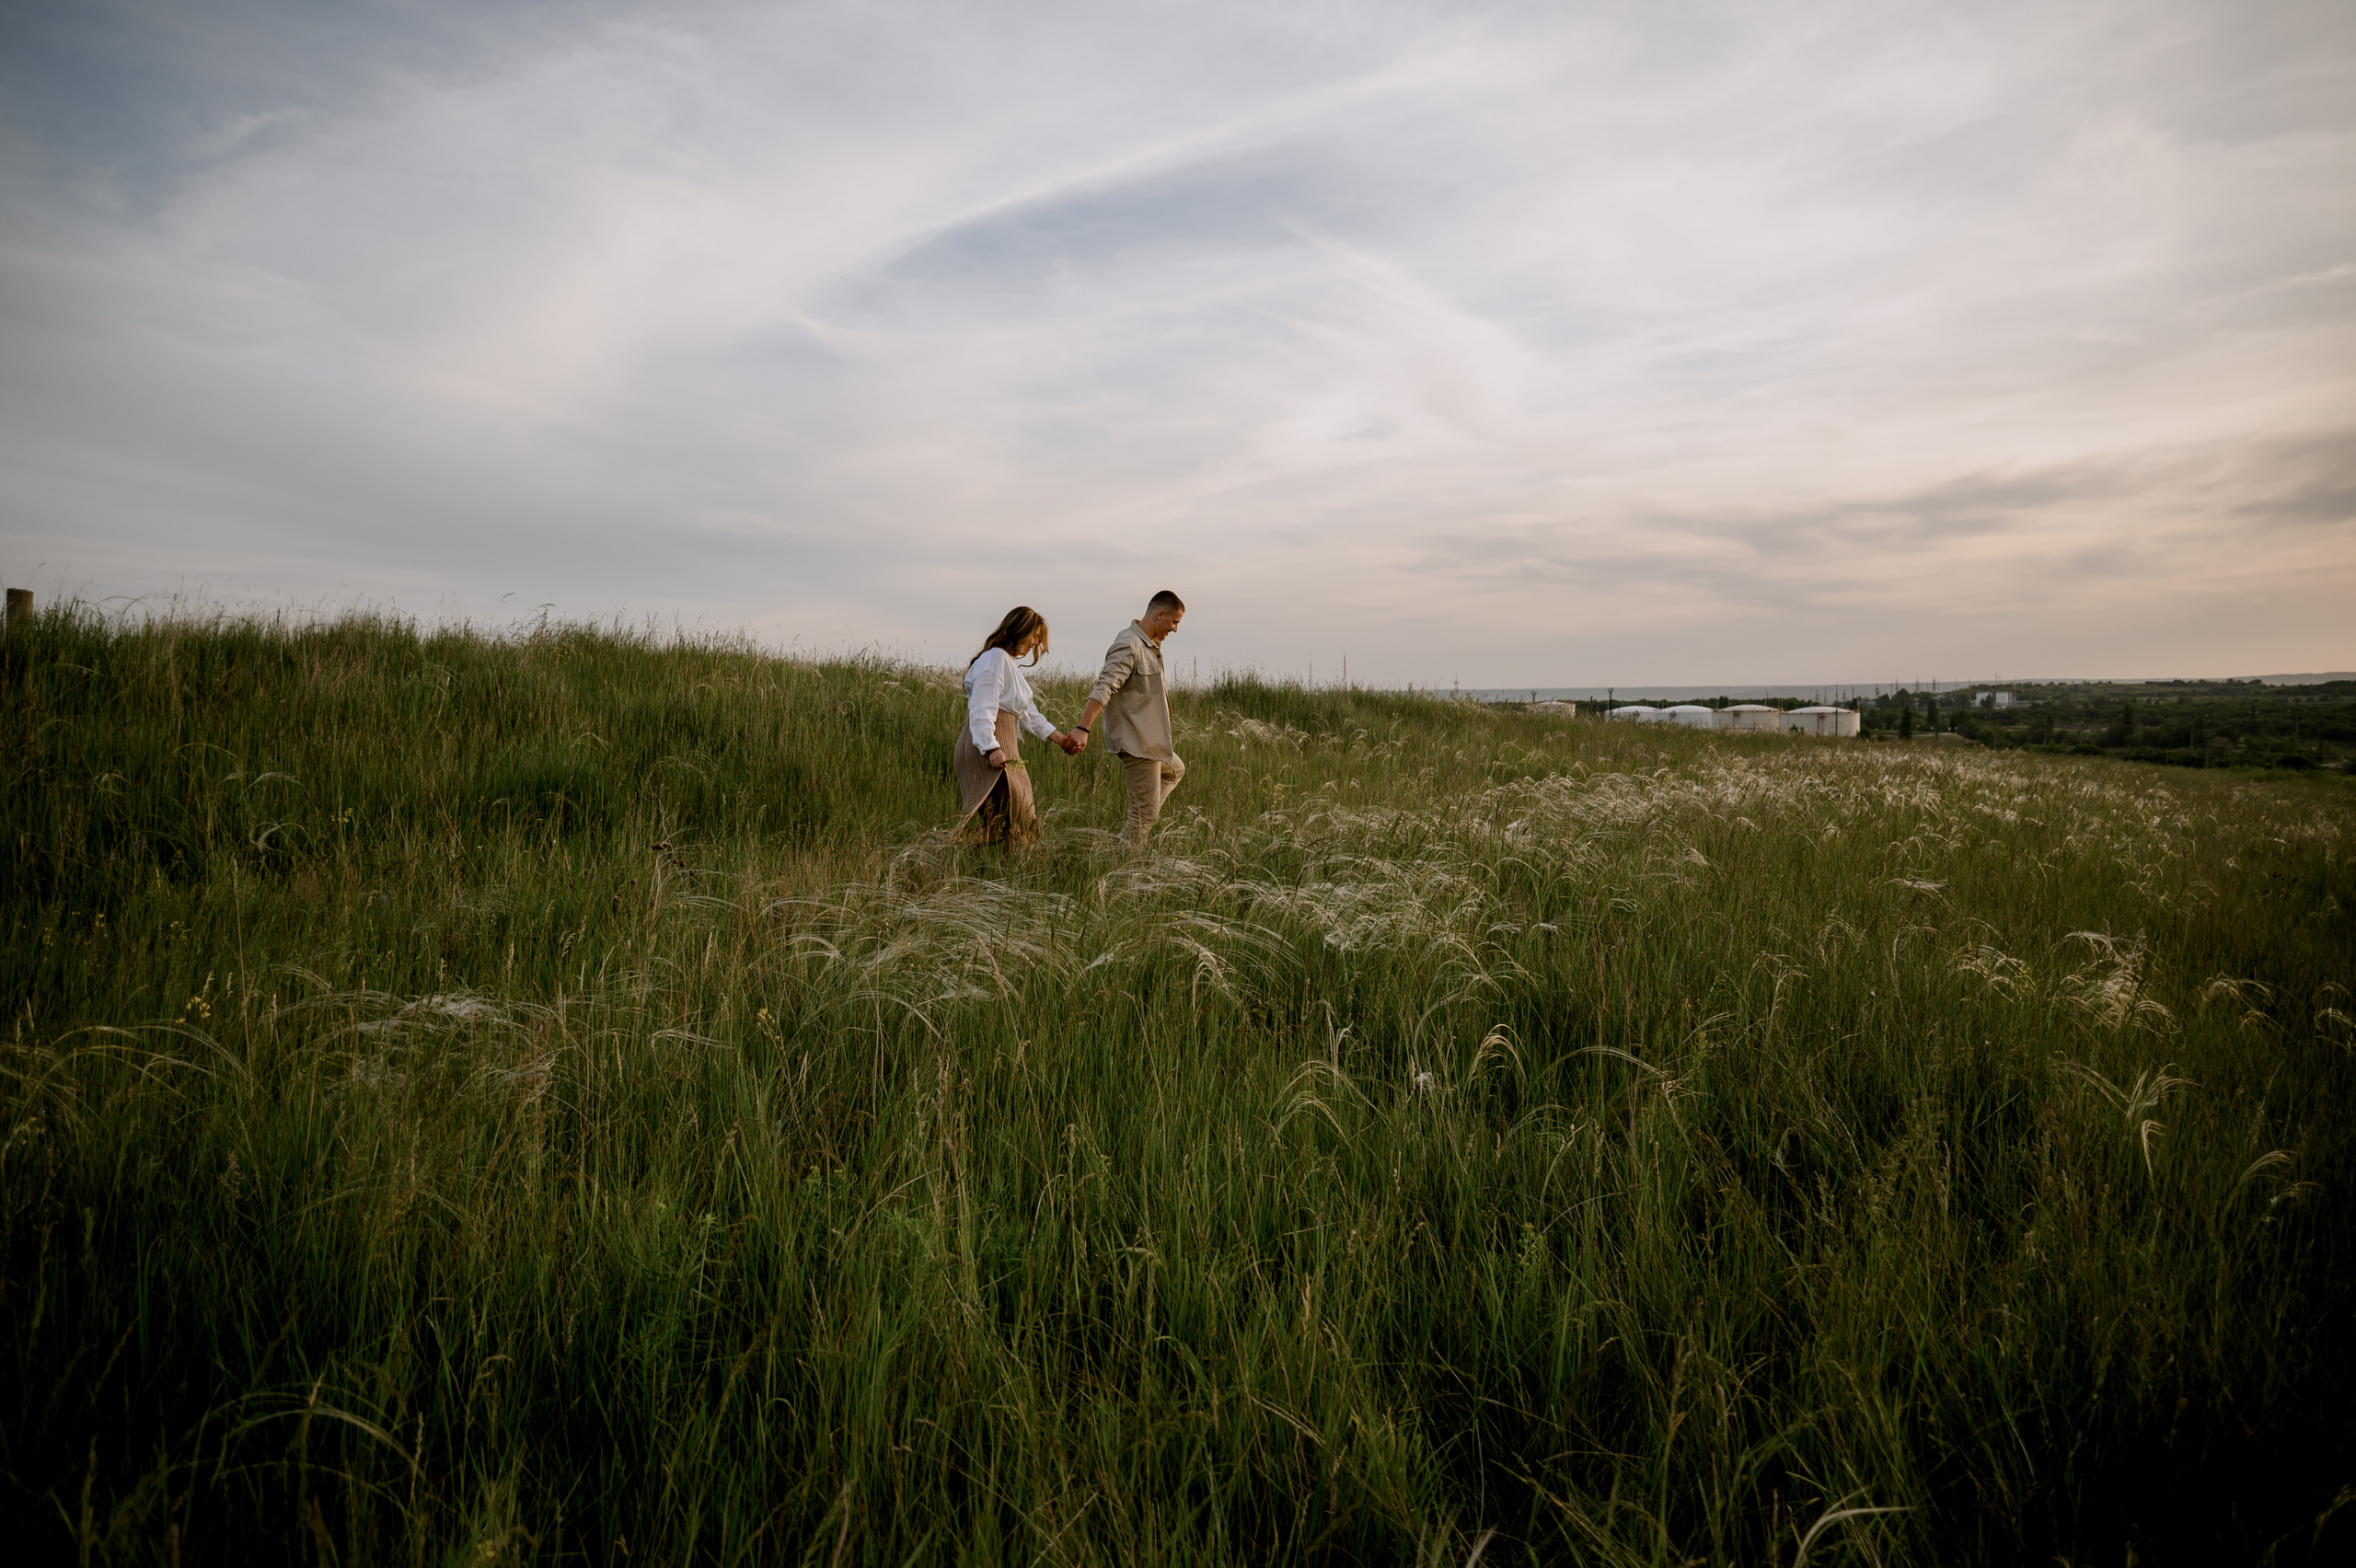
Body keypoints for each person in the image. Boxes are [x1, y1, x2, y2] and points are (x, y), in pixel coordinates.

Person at [955, 606, 1083, 852]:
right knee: (1021, 818)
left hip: (1001, 746)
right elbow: (982, 708)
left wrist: (1061, 740)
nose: (1036, 643)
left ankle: (942, 852)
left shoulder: (1006, 663)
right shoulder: (995, 659)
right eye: (1035, 636)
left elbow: (1029, 714)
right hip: (989, 747)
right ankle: (941, 849)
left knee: (1002, 826)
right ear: (1020, 631)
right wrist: (991, 748)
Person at [1070, 591, 1184, 850]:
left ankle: (1141, 818)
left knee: (1175, 771)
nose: (1175, 629)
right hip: (1137, 742)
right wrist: (1083, 727)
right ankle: (1120, 859)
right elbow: (1105, 686)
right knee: (1143, 815)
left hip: (1152, 741)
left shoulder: (1150, 646)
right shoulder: (1129, 644)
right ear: (1160, 614)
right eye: (1174, 622)